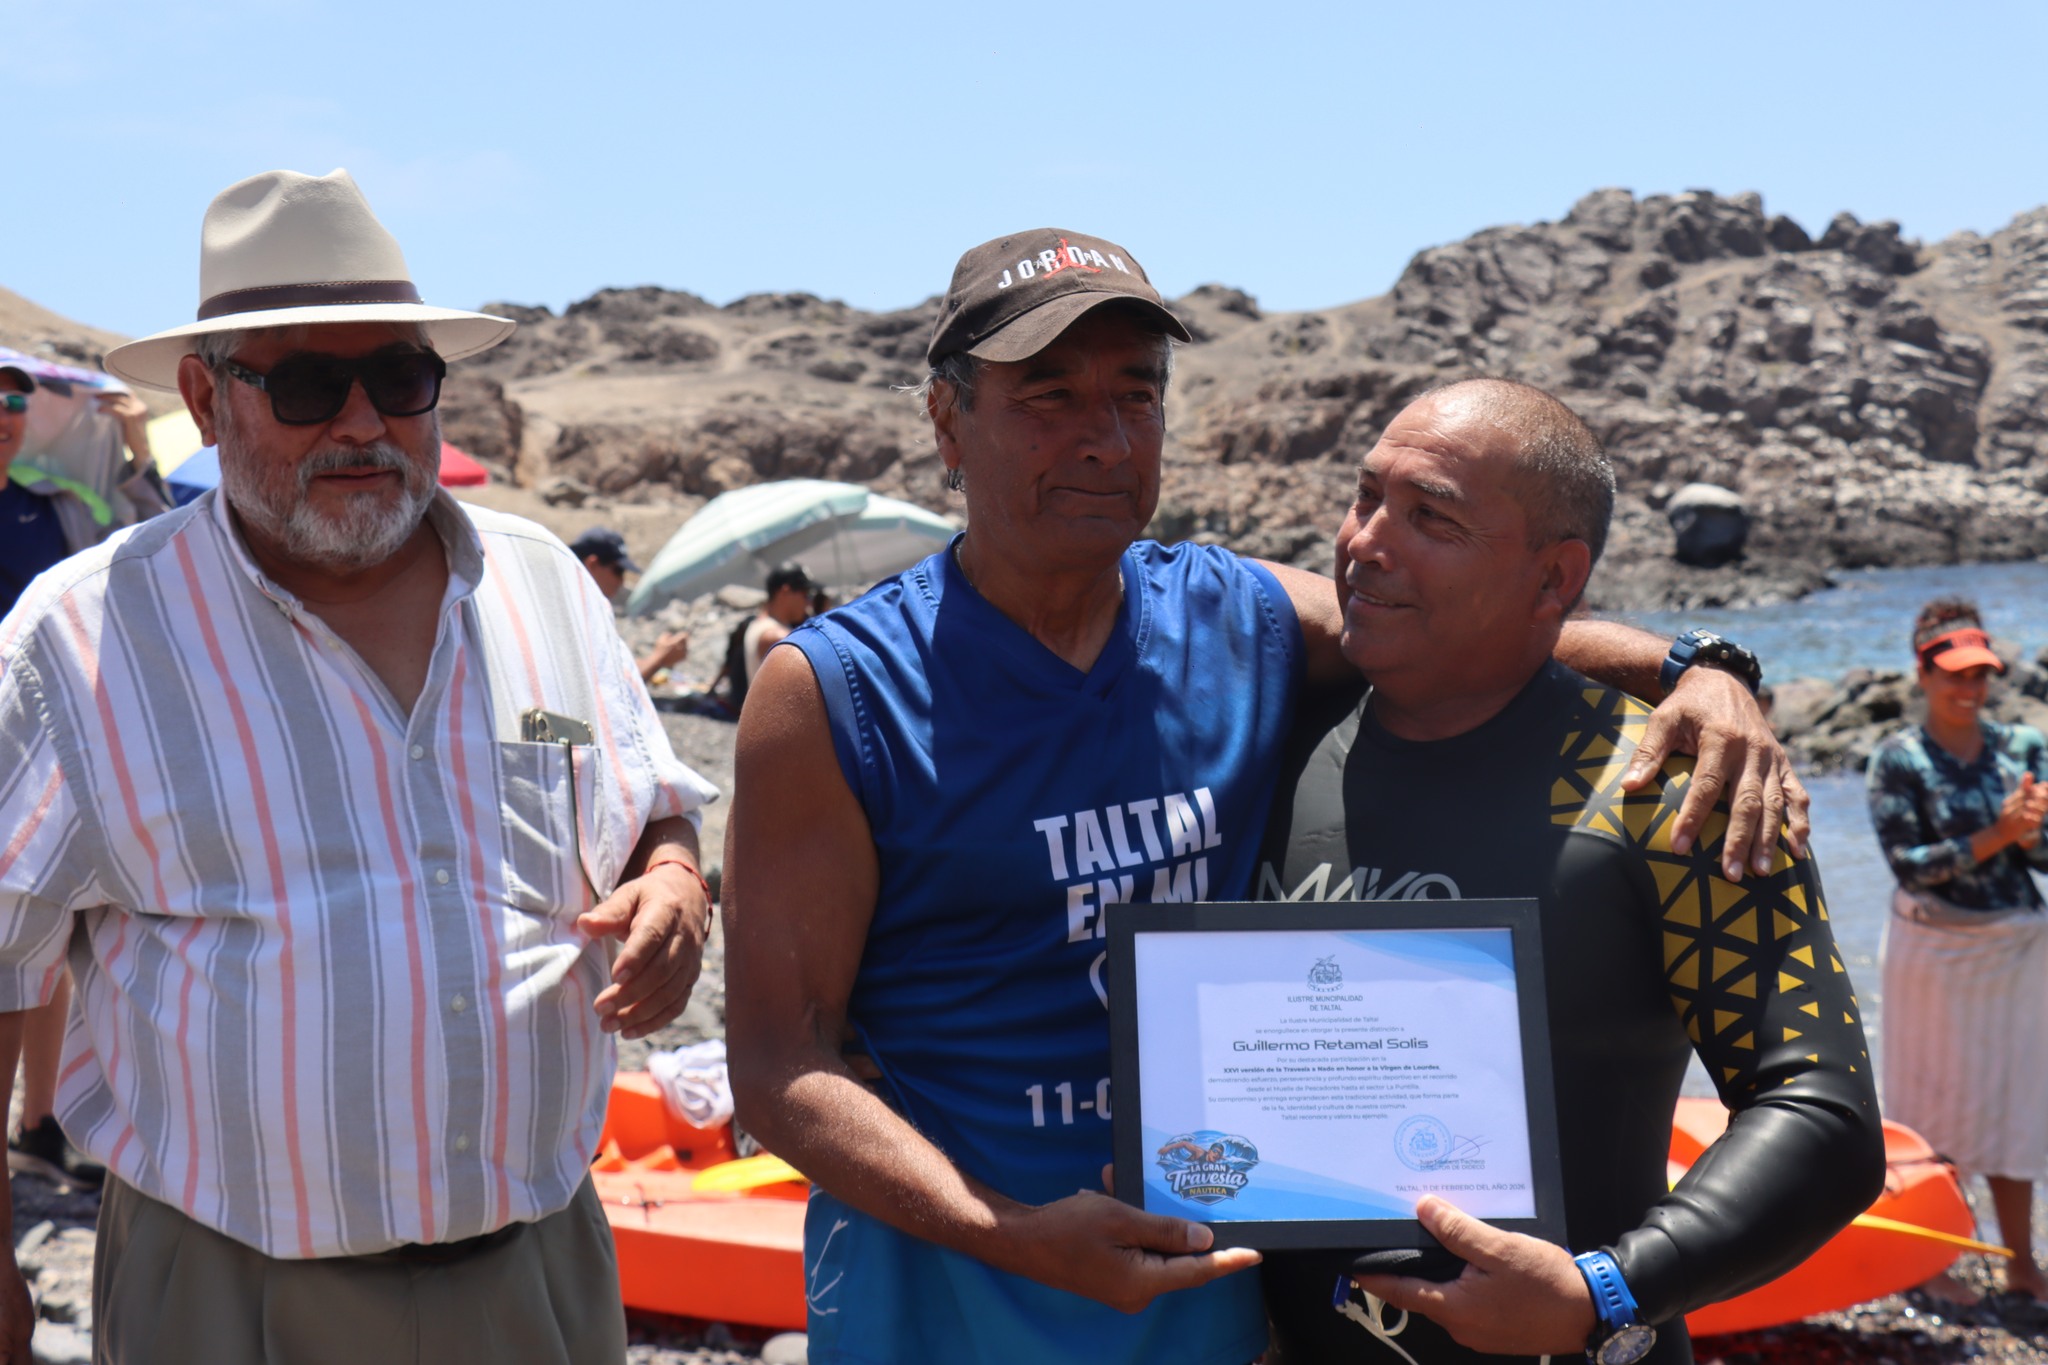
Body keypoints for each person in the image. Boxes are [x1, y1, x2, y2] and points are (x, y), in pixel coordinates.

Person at [723, 227, 1806, 1365]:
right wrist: (1014, 1235)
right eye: (1048, 395)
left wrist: (1693, 669)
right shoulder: (836, 691)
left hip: (1217, 1317)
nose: (1104, 437)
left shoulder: (1234, 619)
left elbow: (1461, 628)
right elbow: (779, 1065)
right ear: (948, 421)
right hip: (944, 1309)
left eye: (1136, 394)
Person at [0, 168, 720, 1365]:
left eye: (397, 377)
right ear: (207, 397)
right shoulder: (80, 639)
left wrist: (677, 880)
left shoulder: (544, 586)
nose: (361, 424)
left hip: (537, 1273)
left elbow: (648, 803)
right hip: (228, 1296)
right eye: (305, 386)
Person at [1254, 379, 1882, 1363]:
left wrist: (1607, 1288)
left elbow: (1821, 1113)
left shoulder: (1671, 789)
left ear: (1554, 579)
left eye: (1430, 517)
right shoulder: (1266, 739)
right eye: (1366, 496)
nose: (1365, 542)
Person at [0, 364, 160, 1194]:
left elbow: (155, 556)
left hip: (39, 757)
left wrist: (137, 446)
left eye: (13, 399)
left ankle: (39, 1125)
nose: (3, 413)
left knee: (47, 941)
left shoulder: (56, 510)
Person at [1868, 598, 2048, 1304]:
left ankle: (2021, 1263)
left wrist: (2029, 835)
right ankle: (1930, 1259)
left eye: (1981, 674)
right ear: (1923, 673)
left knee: (2016, 1102)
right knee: (1930, 1102)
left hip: (2016, 948)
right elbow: (1909, 866)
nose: (1970, 688)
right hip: (1933, 951)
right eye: (1955, 674)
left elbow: (2043, 855)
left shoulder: (2023, 747)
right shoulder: (1898, 760)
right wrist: (1997, 835)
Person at [570, 525, 691, 683]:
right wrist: (659, 658)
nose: (621, 581)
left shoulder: (582, 610)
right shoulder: (573, 616)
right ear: (592, 564)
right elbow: (611, 687)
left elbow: (615, 671)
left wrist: (660, 656)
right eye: (618, 571)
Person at [719, 562, 813, 715]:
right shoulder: (776, 636)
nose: (808, 602)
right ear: (785, 592)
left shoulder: (760, 624)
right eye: (805, 594)